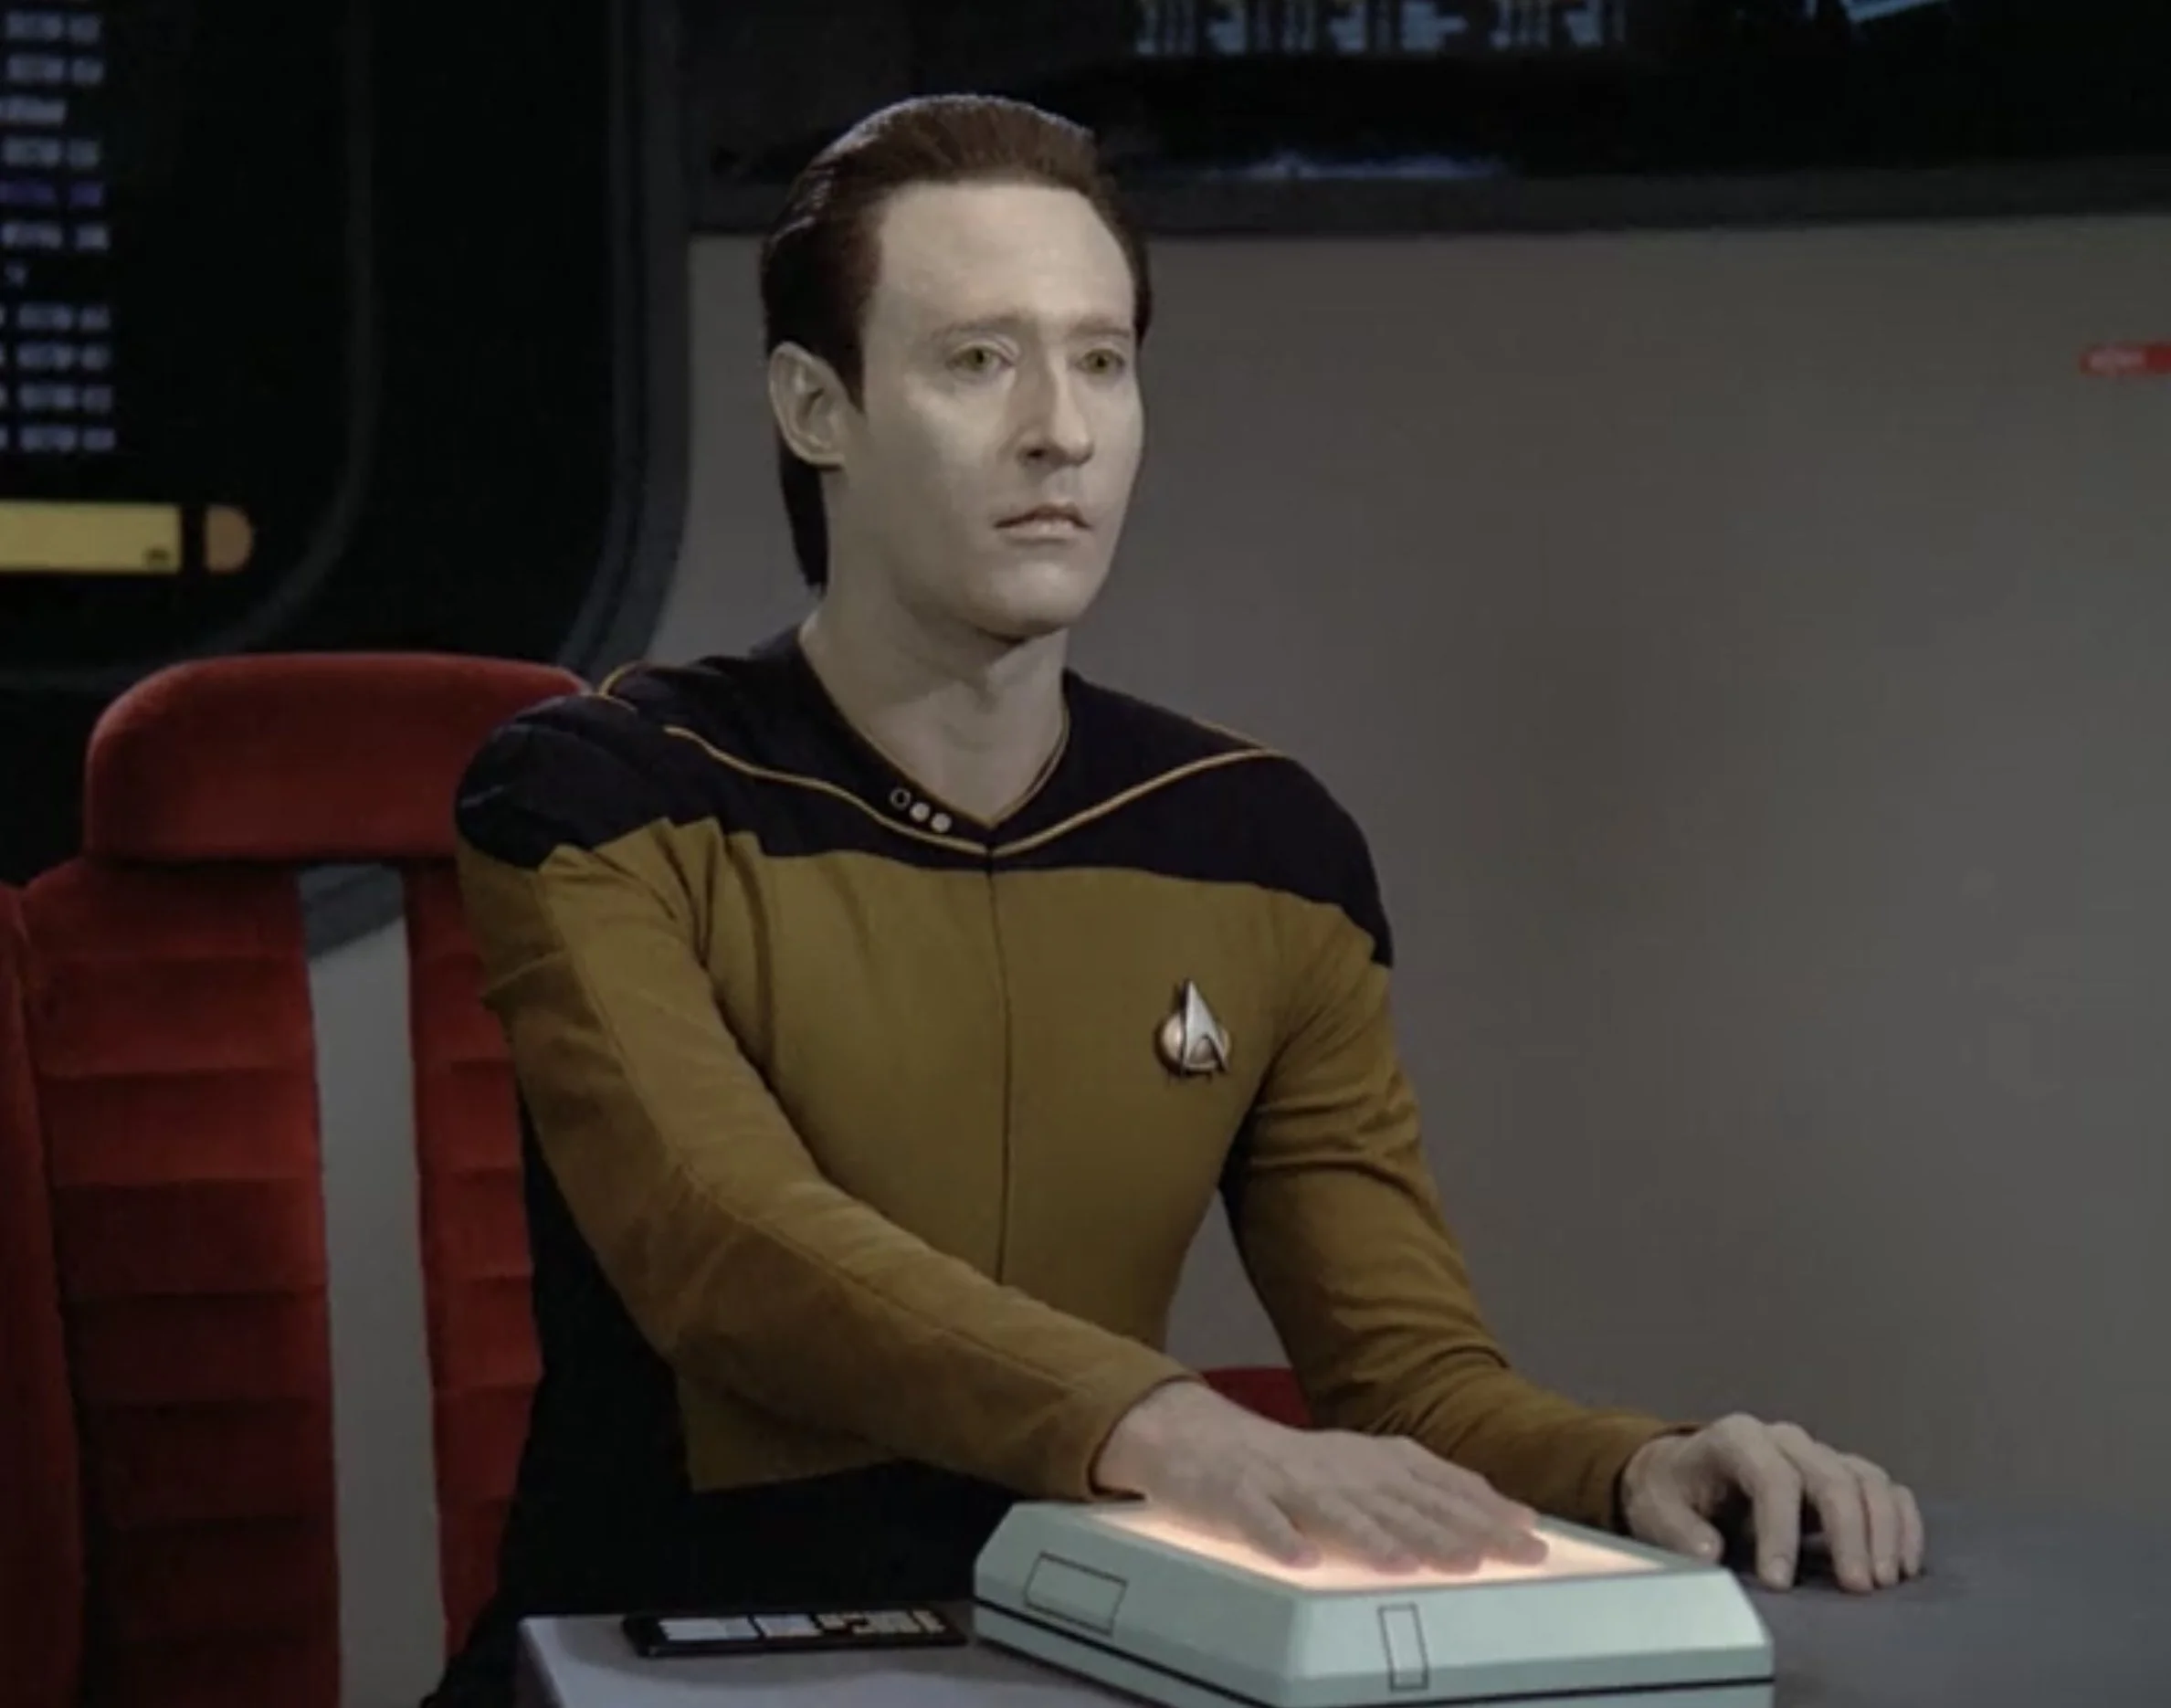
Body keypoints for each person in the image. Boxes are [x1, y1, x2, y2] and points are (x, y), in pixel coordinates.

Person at [425, 92, 1925, 1707]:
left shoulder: (1263, 846)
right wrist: (1176, 1427)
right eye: (978, 360)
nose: (1059, 430)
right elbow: (728, 1246)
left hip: (1079, 1661)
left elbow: (1409, 1384)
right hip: (657, 1665)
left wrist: (1641, 1466)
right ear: (817, 406)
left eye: (1100, 360)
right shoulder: (601, 793)